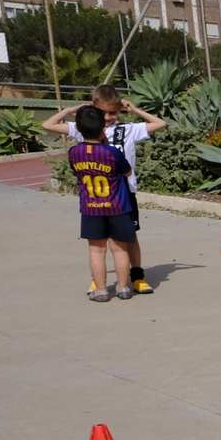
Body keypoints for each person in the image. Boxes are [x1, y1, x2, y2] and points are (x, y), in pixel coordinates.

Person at [43, 84, 167, 295]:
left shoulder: (128, 129)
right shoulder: (85, 126)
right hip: (97, 195)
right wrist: (71, 111)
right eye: (103, 112)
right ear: (93, 108)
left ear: (120, 109)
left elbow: (160, 123)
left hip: (124, 193)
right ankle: (99, 281)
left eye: (113, 112)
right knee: (99, 243)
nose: (108, 117)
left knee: (129, 237)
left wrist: (134, 110)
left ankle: (137, 276)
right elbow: (48, 125)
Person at [69, 105, 136, 302]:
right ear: (104, 129)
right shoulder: (112, 153)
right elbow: (127, 172)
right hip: (118, 207)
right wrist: (105, 143)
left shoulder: (74, 152)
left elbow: (77, 172)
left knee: (96, 251)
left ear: (79, 130)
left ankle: (101, 290)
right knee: (120, 249)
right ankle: (123, 287)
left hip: (91, 208)